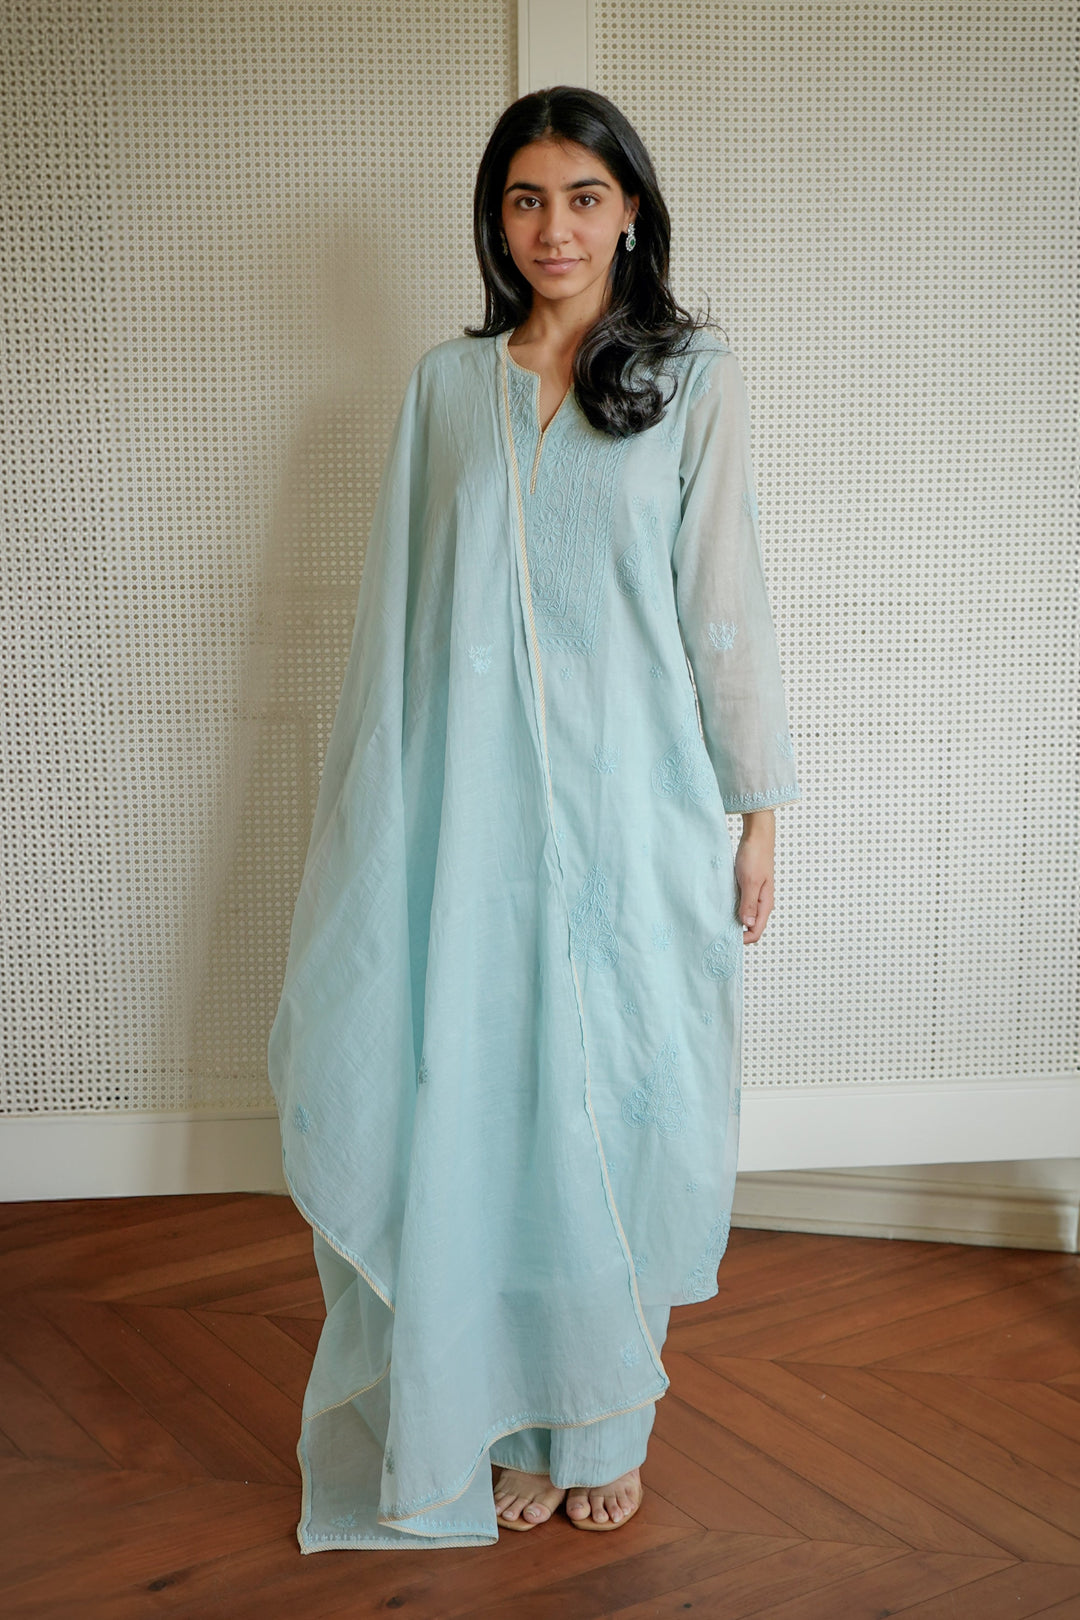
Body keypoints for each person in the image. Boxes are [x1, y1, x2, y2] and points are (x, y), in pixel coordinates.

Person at [267, 85, 799, 1553]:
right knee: (493, 1101)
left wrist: (759, 810)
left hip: (641, 814)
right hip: (474, 832)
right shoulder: (449, 388)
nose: (552, 228)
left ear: (631, 208)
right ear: (495, 221)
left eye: (580, 195)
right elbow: (399, 628)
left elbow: (724, 609)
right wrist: (389, 827)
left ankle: (603, 1422)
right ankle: (502, 1414)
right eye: (522, 199)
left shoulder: (693, 376)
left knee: (625, 1104)